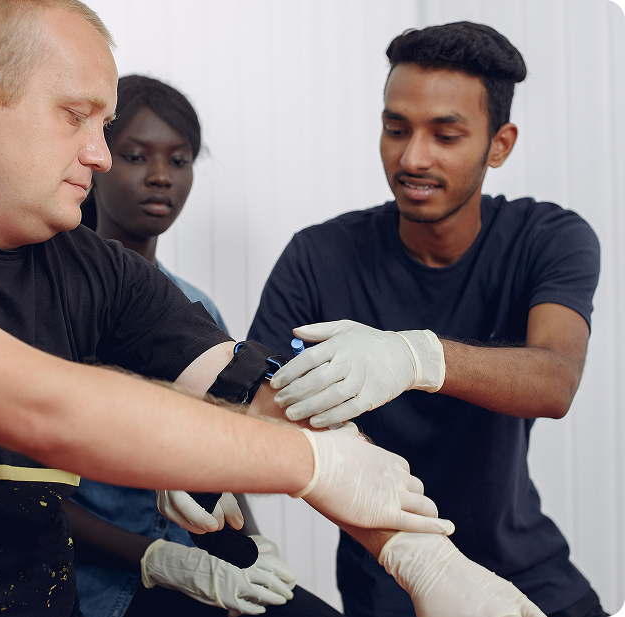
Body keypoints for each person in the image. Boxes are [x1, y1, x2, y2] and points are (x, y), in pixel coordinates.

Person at [0, 1, 453, 615]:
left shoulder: (93, 268)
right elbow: (38, 407)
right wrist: (307, 463)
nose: (100, 155)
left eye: (103, 126)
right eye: (75, 117)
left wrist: (425, 559)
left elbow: (256, 390)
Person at [248, 21, 606, 617]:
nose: (413, 157)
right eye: (396, 129)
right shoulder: (318, 256)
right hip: (392, 577)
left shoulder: (548, 238)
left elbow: (555, 378)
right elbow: (253, 398)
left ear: (500, 144)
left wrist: (416, 357)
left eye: (446, 135)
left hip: (528, 573)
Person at [66, 73, 341, 616]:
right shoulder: (54, 299)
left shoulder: (197, 310)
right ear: (96, 158)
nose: (161, 177)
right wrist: (158, 558)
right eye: (136, 157)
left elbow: (225, 460)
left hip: (201, 563)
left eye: (180, 160)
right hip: (103, 581)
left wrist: (253, 550)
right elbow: (26, 494)